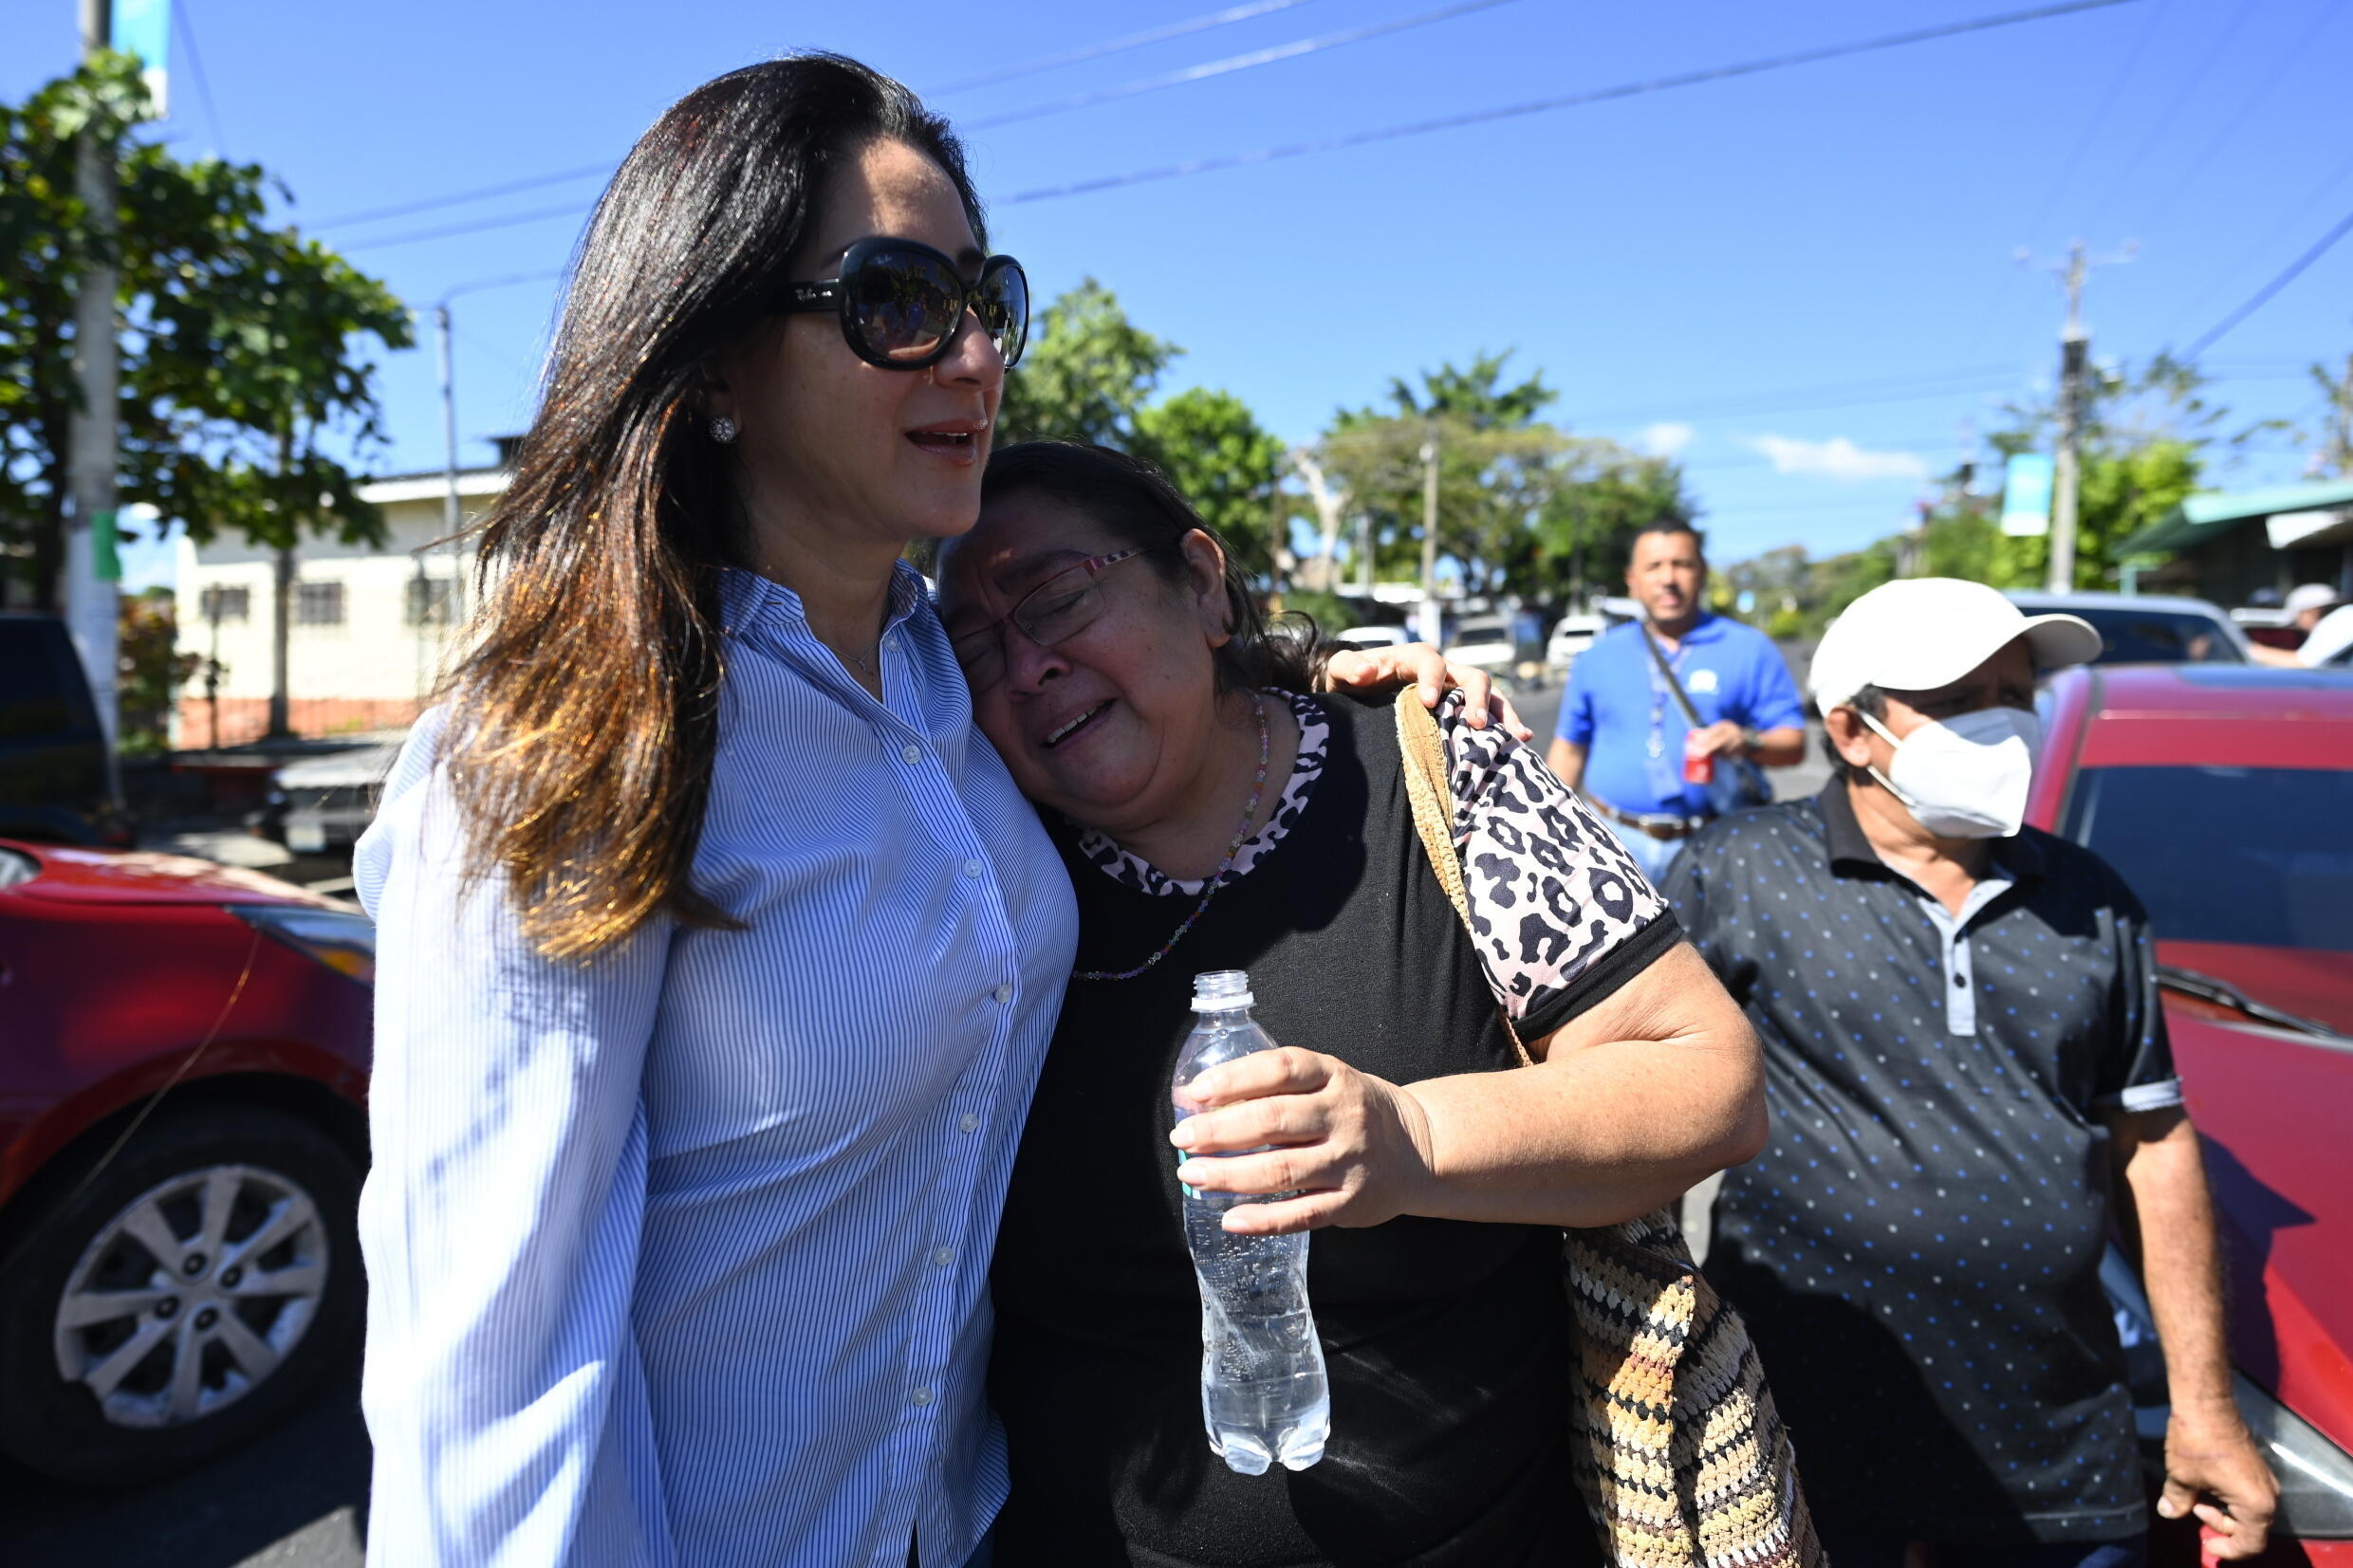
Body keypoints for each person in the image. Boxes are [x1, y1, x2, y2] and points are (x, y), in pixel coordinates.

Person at [351, 57, 1490, 1568]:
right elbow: (489, 1373)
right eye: (894, 299)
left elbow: (1153, 717)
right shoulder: (558, 750)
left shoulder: (955, 689)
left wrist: (1318, 674)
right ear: (708, 363)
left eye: (982, 297)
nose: (970, 356)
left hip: (970, 1529)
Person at [936, 442, 1769, 1567]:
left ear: (1198, 582)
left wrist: (1413, 1141)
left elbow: (1705, 1080)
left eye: (1055, 596)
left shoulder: (1438, 776)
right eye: (972, 646)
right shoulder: (974, 854)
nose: (1023, 666)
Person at [1660, 579, 2279, 1567]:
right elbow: (1627, 1087)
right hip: (1806, 1440)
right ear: (1852, 731)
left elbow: (2152, 1149)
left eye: (2016, 692)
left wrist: (2205, 1409)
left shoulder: (2088, 900)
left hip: (2053, 1458)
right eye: (1956, 701)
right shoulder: (1738, 873)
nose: (2002, 723)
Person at [1546, 520, 1807, 881]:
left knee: (1710, 941)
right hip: (1611, 843)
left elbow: (1793, 744)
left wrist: (1746, 740)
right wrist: (1546, 829)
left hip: (1715, 844)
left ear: (1702, 573)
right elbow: (1569, 751)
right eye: (1653, 567)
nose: (1668, 578)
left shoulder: (1750, 648)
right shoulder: (1596, 656)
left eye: (1682, 564)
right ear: (1632, 580)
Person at [2249, 582, 2344, 667]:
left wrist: (2253, 651)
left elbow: (2303, 663)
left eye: (2296, 618)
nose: (2298, 625)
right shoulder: (2342, 619)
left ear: (2312, 611)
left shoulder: (2338, 622)